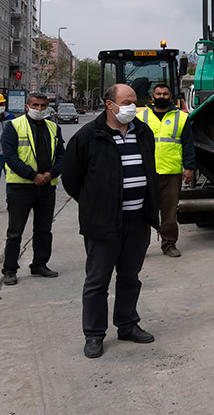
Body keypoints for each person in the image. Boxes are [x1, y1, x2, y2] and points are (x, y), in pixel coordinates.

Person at [62, 84, 159, 359]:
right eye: (126, 102)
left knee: (130, 277)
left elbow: (148, 169)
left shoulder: (143, 132)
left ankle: (127, 324)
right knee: (97, 282)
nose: (132, 107)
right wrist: (96, 205)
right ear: (109, 104)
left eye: (134, 102)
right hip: (103, 225)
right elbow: (71, 179)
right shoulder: (89, 136)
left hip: (137, 220)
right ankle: (94, 334)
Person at [0, 92, 65, 286]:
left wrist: (50, 174)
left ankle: (39, 264)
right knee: (15, 231)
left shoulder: (53, 128)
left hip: (46, 187)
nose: (39, 109)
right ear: (27, 107)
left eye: (43, 106)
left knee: (44, 229)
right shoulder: (14, 126)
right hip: (21, 188)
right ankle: (10, 269)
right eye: (35, 105)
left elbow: (62, 156)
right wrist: (33, 175)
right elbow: (10, 157)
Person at [141, 82, 194, 257]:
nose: (162, 96)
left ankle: (169, 244)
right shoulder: (142, 117)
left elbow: (188, 145)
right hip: (147, 172)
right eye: (158, 94)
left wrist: (189, 168)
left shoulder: (181, 117)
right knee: (144, 211)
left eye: (165, 94)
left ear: (170, 97)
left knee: (169, 212)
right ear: (152, 97)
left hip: (172, 173)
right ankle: (140, 246)